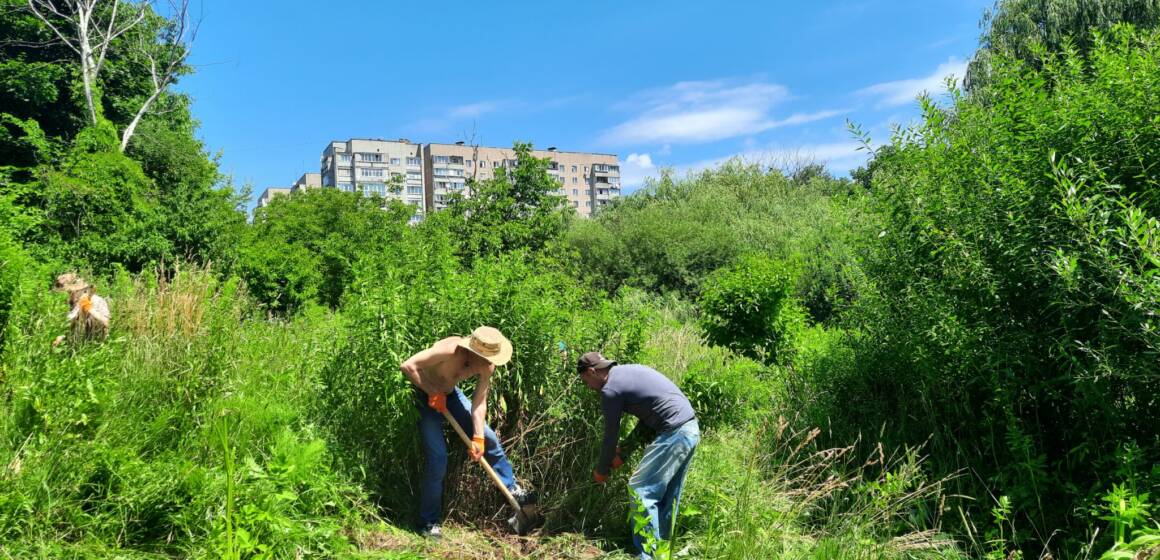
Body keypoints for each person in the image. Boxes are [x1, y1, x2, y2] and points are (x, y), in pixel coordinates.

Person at [399, 326, 530, 538]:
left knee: (489, 438)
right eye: (487, 358)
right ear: (474, 352)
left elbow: (479, 402)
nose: (490, 364)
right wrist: (432, 392)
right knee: (438, 458)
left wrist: (477, 437)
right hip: (424, 395)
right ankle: (429, 522)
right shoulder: (449, 351)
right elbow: (407, 365)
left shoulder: (486, 367)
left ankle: (512, 487)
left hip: (451, 396)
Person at [577, 351, 700, 559]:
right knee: (668, 496)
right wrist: (624, 453)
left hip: (673, 432)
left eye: (586, 381)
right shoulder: (628, 372)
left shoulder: (610, 390)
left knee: (640, 489)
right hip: (690, 429)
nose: (589, 387)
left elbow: (610, 435)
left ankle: (647, 555)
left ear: (592, 372)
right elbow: (647, 420)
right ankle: (662, 551)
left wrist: (602, 469)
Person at [52, 273, 110, 347]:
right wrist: (61, 338)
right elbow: (69, 330)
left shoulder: (97, 300)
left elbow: (106, 323)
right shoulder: (69, 305)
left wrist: (88, 309)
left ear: (80, 290)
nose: (69, 295)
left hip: (93, 345)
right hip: (73, 346)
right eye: (67, 292)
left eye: (70, 292)